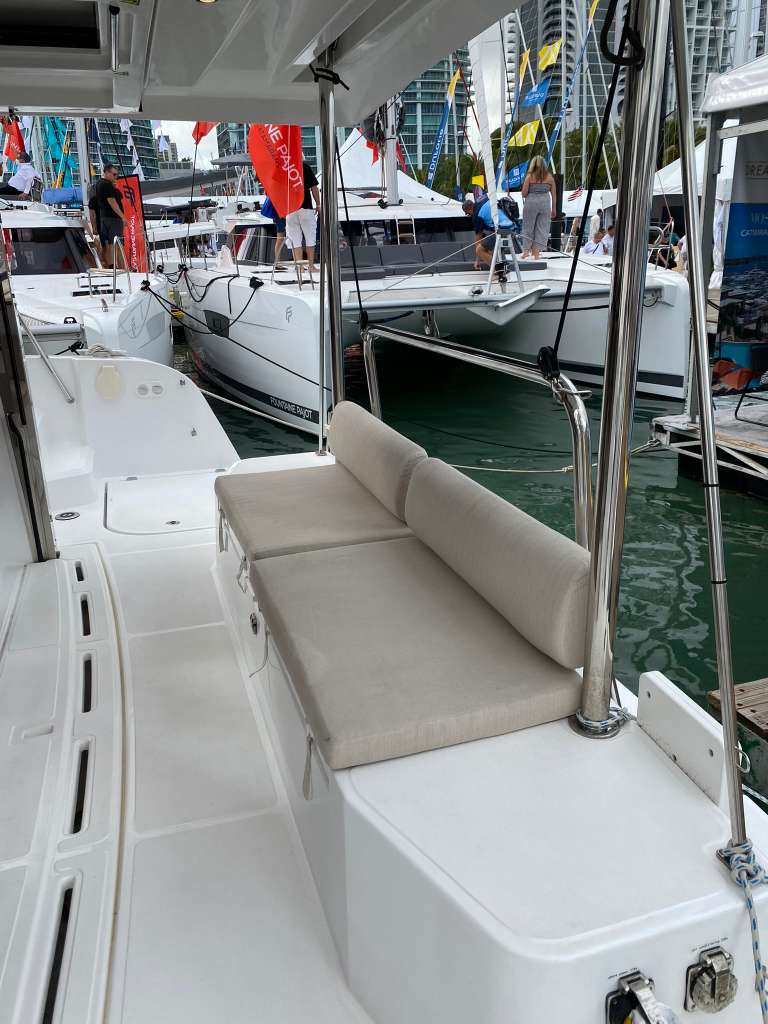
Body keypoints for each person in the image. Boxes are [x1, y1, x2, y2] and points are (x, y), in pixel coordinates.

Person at [285, 160, 320, 268]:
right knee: (310, 237)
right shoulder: (304, 166)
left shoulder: (283, 167)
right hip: (306, 208)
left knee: (295, 239)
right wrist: (318, 204)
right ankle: (311, 266)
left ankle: (300, 268)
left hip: (290, 209)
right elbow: (314, 187)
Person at [520, 155, 556, 260]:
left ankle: (526, 251)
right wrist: (554, 209)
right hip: (545, 203)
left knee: (528, 227)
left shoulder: (529, 177)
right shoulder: (550, 178)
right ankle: (536, 253)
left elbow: (524, 193)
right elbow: (554, 194)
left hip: (531, 203)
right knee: (542, 228)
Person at [93, 163, 127, 268]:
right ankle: (121, 268)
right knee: (116, 244)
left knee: (109, 244)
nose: (116, 177)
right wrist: (122, 216)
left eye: (117, 175)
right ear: (107, 172)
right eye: (114, 174)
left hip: (105, 218)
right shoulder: (106, 184)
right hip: (113, 218)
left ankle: (111, 266)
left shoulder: (98, 184)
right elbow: (112, 201)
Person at [474, 196, 515, 269]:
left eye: (467, 213)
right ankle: (503, 269)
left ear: (469, 209)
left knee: (479, 250)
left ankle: (498, 272)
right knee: (492, 251)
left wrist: (477, 260)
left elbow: (478, 238)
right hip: (511, 229)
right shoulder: (487, 200)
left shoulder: (477, 215)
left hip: (501, 230)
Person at [261, 195, 287, 268]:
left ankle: (278, 262)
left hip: (279, 214)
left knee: (280, 239)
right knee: (282, 238)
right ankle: (278, 262)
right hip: (282, 214)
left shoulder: (274, 189)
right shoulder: (282, 188)